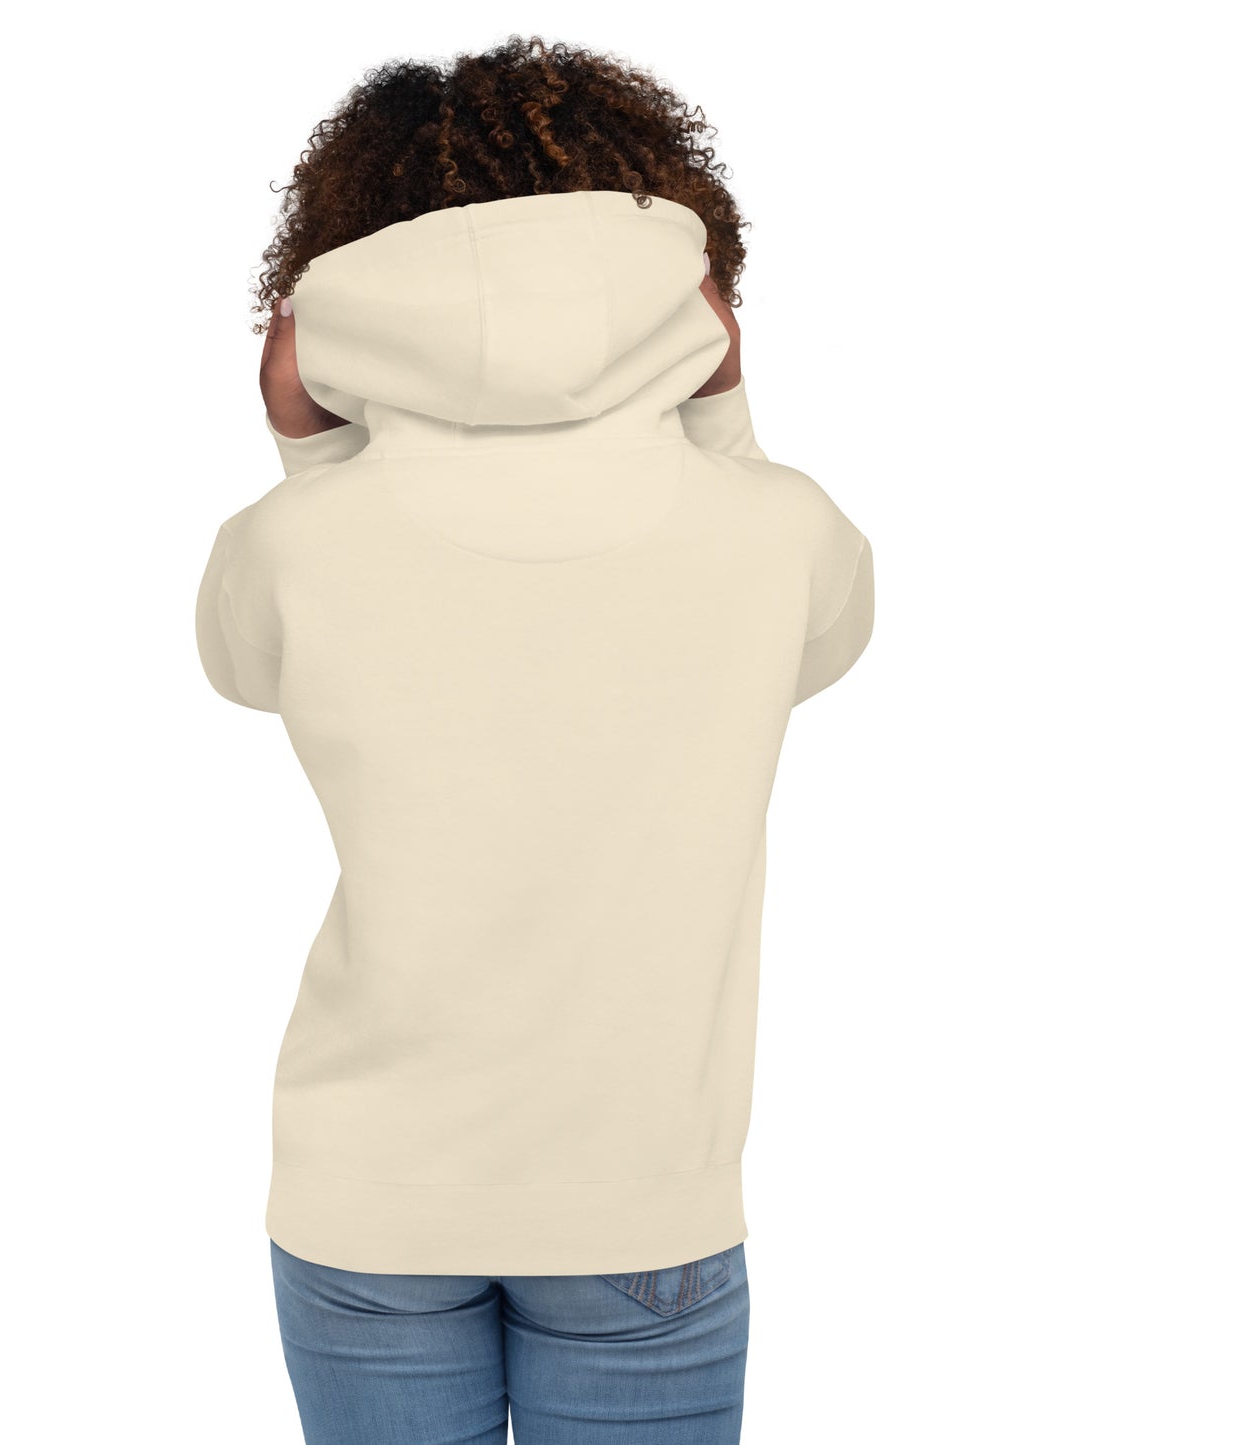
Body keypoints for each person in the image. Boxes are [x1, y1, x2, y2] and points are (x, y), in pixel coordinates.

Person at [196, 34, 874, 1445]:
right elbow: (823, 644)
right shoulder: (773, 529)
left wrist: (315, 457)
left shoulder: (288, 541)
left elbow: (245, 670)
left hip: (366, 1199)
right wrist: (724, 423)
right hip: (639, 1201)